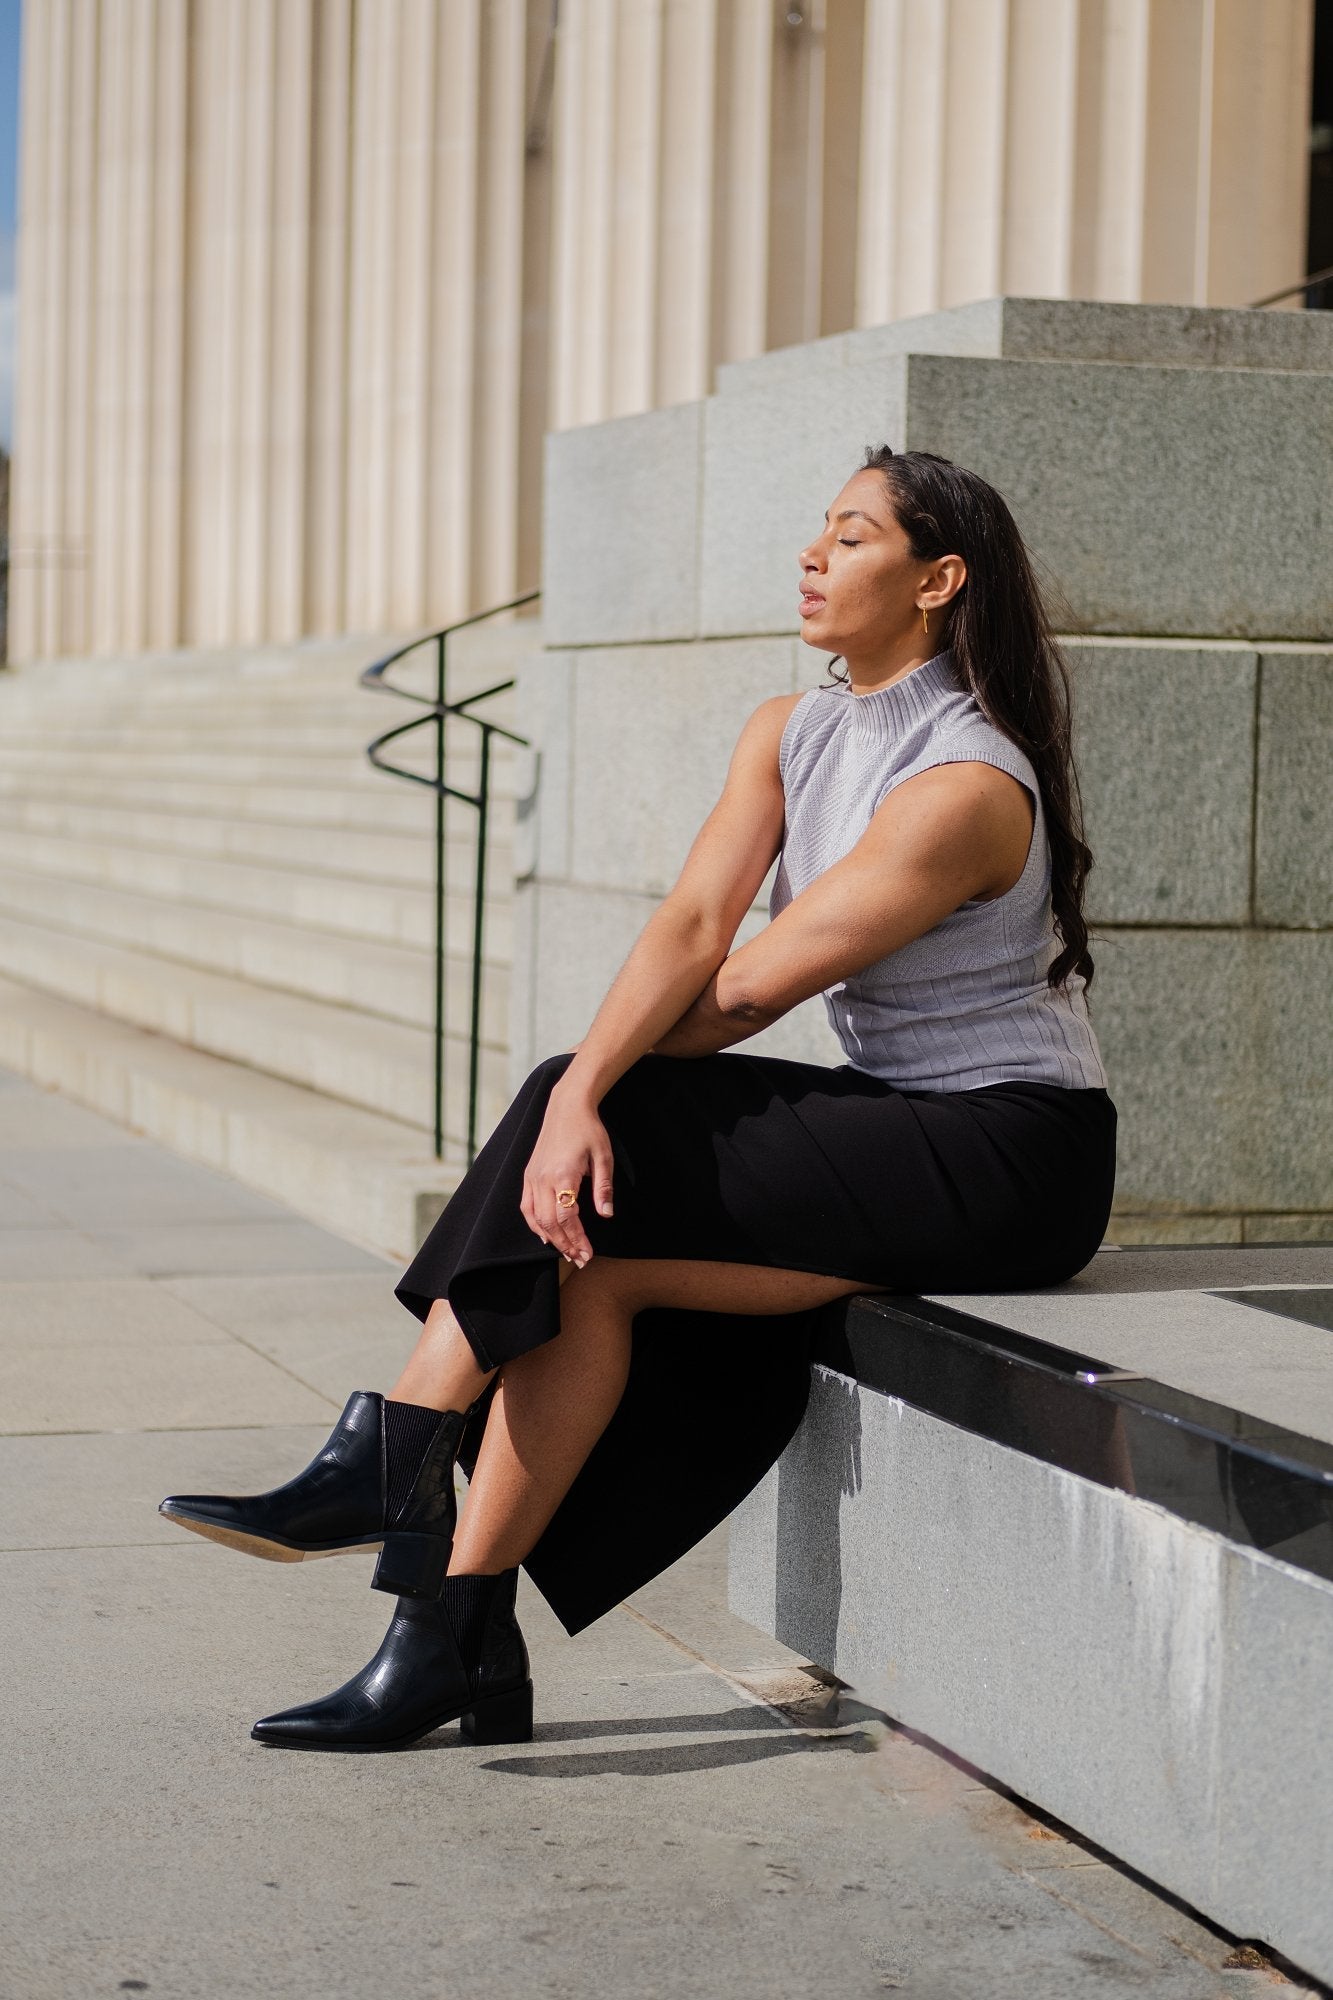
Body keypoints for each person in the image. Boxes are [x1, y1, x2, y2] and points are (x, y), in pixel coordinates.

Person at [159, 445, 1118, 1753]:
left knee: (584, 1110)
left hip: (1013, 1156)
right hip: (906, 1124)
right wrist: (573, 1105)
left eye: (850, 537)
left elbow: (741, 994)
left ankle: (383, 1463)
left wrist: (580, 1095)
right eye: (816, 531)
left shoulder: (961, 785)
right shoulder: (791, 729)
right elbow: (687, 925)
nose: (812, 556)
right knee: (582, 1264)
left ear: (937, 579)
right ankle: (448, 1636)